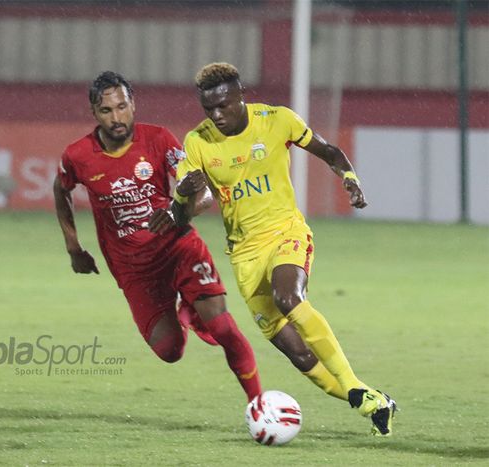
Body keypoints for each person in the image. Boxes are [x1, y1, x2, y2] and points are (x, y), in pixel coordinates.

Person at [173, 62, 397, 436]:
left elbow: (330, 152)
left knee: (288, 297)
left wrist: (350, 178)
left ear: (241, 95)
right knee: (301, 355)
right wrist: (183, 192)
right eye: (208, 109)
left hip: (285, 233)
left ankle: (356, 386)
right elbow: (182, 216)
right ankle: (374, 401)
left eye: (223, 106)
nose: (216, 115)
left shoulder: (278, 120)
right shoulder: (197, 142)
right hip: (244, 256)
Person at [53, 71, 262, 402]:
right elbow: (61, 190)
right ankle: (186, 311)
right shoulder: (77, 156)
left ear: (133, 104)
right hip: (133, 268)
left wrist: (181, 212)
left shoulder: (160, 140)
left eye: (122, 107)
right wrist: (73, 247)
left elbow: (202, 191)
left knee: (224, 329)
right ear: (94, 112)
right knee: (169, 351)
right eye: (106, 111)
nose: (116, 117)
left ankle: (259, 405)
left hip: (178, 248)